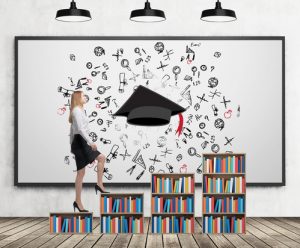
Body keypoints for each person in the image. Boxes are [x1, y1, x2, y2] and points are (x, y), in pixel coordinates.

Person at [69, 90, 109, 212]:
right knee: (81, 173)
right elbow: (80, 129)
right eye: (83, 96)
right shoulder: (76, 111)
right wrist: (90, 142)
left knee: (101, 158)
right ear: (77, 98)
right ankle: (78, 201)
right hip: (80, 142)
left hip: (81, 142)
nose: (85, 97)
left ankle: (99, 184)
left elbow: (74, 129)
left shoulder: (80, 110)